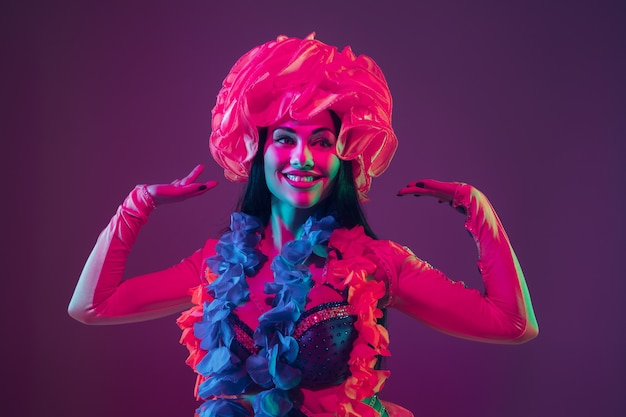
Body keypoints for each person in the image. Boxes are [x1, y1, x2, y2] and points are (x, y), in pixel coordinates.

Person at [68, 33, 538, 417]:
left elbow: (512, 324)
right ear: (258, 151)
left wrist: (480, 212)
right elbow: (93, 306)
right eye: (286, 139)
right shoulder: (215, 266)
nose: (301, 158)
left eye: (321, 142)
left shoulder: (377, 266)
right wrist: (138, 205)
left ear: (343, 157)